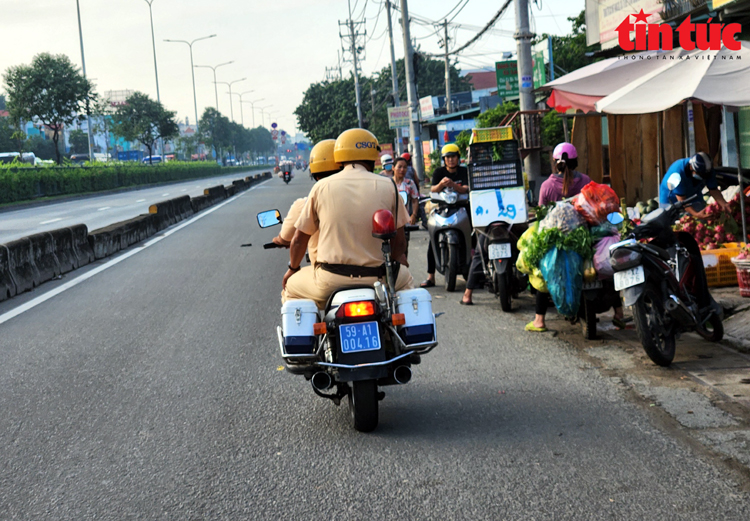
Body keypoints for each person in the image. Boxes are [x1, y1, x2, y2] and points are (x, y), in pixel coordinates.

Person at [283, 128, 414, 308]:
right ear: (373, 156)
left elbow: (298, 241)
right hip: (379, 279)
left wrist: (292, 269)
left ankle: (308, 335)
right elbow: (399, 243)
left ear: (339, 155)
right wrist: (398, 263)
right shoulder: (389, 185)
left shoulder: (321, 187)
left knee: (291, 287)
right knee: (407, 284)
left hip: (329, 281)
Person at [526, 142, 627, 332]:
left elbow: (541, 215)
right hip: (587, 234)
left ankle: (539, 320)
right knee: (607, 263)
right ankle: (619, 312)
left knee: (540, 266)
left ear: (555, 163)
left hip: (559, 239)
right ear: (576, 162)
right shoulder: (586, 181)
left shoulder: (547, 186)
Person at [272, 140, 341, 266]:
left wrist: (292, 268)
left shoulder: (306, 203)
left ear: (314, 173)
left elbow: (293, 239)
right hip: (374, 276)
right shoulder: (373, 194)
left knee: (289, 284)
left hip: (328, 275)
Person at [421, 143, 469, 288]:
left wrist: (454, 185)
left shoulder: (463, 171)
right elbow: (433, 189)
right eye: (447, 157)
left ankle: (476, 271)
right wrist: (442, 184)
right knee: (432, 238)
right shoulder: (438, 172)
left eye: (453, 156)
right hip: (442, 209)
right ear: (444, 159)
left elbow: (466, 188)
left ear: (458, 158)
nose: (450, 160)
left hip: (462, 208)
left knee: (473, 235)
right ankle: (431, 276)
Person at [659, 152, 730, 217]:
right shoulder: (677, 173)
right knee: (672, 222)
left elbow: (713, 189)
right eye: (700, 174)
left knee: (701, 217)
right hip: (671, 199)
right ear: (691, 167)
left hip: (693, 193)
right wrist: (696, 214)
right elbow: (682, 201)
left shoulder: (708, 171)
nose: (703, 177)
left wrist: (724, 204)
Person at [393, 157, 419, 225]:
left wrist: (414, 215)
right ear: (393, 168)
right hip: (391, 219)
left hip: (405, 220)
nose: (402, 169)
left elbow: (415, 200)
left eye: (405, 167)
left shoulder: (410, 183)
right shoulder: (388, 183)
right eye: (399, 167)